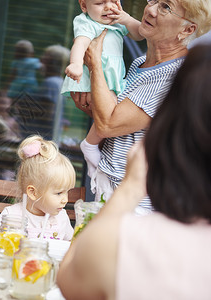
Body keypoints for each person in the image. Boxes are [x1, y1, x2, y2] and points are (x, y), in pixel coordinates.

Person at [57, 44, 211, 299]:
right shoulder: (139, 64)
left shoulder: (121, 243)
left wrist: (129, 189)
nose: (151, 10)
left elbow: (70, 280)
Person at [73, 0, 211, 208]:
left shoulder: (174, 76)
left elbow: (109, 125)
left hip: (138, 203)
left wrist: (95, 65)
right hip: (112, 189)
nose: (151, 10)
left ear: (187, 29)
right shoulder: (140, 62)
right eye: (154, 0)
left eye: (165, 7)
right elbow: (121, 122)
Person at [60, 0, 144, 178]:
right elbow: (80, 44)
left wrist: (127, 18)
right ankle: (90, 145)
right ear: (84, 6)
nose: (108, 7)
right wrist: (75, 64)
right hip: (92, 82)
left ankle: (95, 155)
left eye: (114, 1)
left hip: (109, 81)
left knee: (111, 114)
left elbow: (139, 34)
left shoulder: (116, 22)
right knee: (111, 112)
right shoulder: (87, 22)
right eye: (99, 3)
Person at [0, 135, 76, 240]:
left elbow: (70, 247)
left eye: (67, 192)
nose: (65, 200)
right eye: (59, 193)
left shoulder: (61, 218)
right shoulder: (11, 216)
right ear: (33, 193)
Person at [30, 44, 71, 140]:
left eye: (45, 56)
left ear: (52, 62)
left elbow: (47, 114)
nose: (40, 58)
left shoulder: (50, 83)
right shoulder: (59, 81)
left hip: (43, 138)